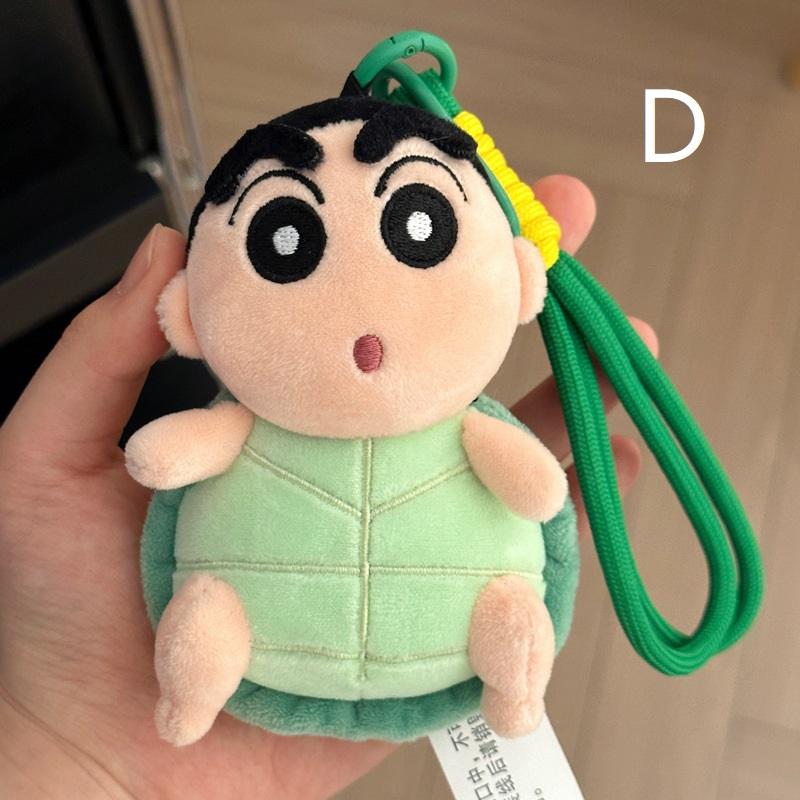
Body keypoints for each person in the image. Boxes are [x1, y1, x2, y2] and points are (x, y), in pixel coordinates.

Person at [0, 175, 655, 799]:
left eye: (418, 230)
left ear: (518, 280)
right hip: (250, 645)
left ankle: (511, 682)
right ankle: (195, 688)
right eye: (285, 242)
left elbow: (538, 487)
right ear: (188, 313)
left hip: (415, 636)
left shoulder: (468, 430)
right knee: (208, 621)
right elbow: (163, 456)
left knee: (508, 615)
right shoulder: (246, 421)